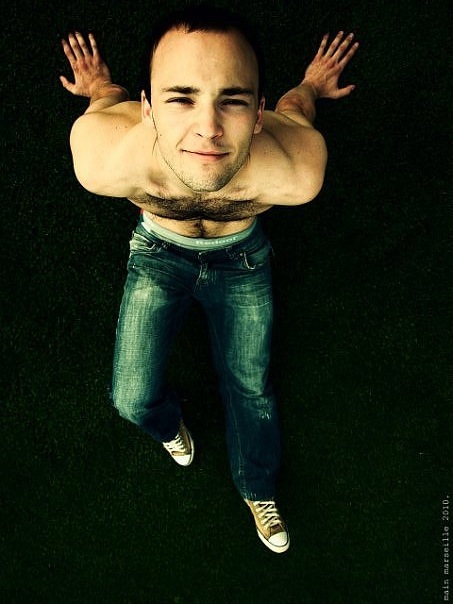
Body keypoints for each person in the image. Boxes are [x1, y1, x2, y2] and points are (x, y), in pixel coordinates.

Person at [60, 5, 358, 554]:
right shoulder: (104, 158)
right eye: (180, 98)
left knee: (251, 388)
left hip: (242, 259)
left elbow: (296, 111)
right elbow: (107, 108)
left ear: (259, 113)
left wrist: (311, 86)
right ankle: (167, 424)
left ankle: (258, 489)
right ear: (147, 109)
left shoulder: (296, 169)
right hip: (157, 253)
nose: (209, 128)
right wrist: (100, 86)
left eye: (234, 100)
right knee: (131, 399)